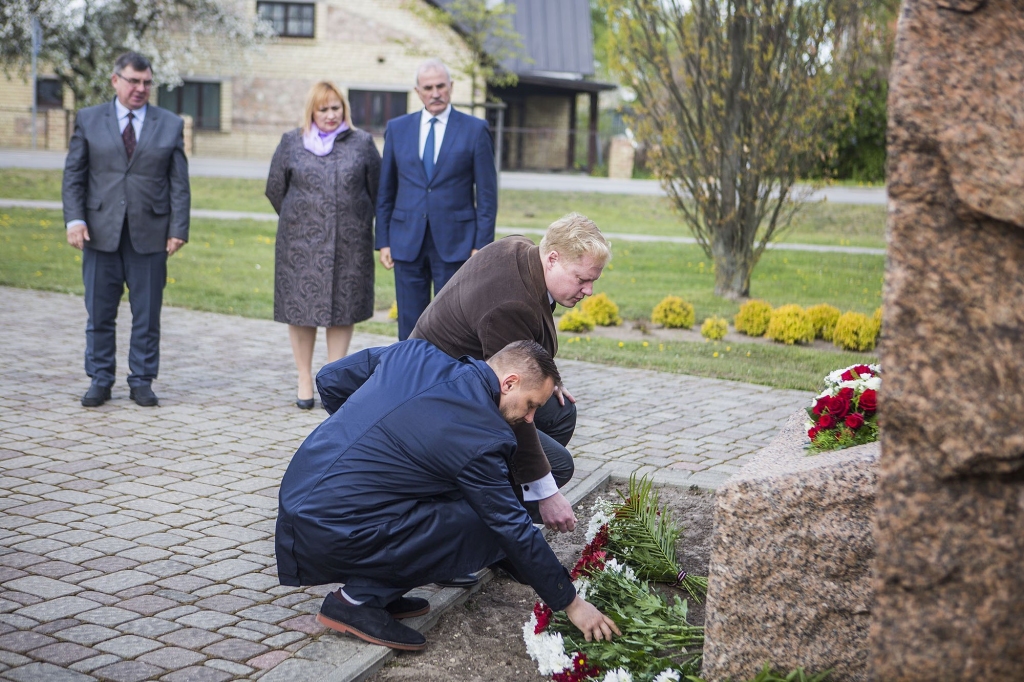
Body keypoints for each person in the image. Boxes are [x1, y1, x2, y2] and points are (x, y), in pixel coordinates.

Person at [276, 339, 621, 651]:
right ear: (510, 382)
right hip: (329, 529)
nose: (530, 418)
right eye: (531, 405)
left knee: (449, 501)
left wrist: (366, 433)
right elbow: (511, 526)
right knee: (480, 520)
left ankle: (382, 587)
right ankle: (356, 601)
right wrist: (571, 603)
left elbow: (331, 379)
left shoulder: (414, 353)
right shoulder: (479, 433)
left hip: (299, 496)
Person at [411, 213, 610, 539]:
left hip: (473, 378)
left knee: (560, 414)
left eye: (593, 281)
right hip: (435, 397)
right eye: (581, 280)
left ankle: (499, 496)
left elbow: (525, 346)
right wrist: (545, 491)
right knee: (557, 466)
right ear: (553, 258)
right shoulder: (509, 304)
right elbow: (513, 403)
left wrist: (548, 380)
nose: (588, 291)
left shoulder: (522, 250)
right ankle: (479, 524)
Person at [63, 51, 190, 408]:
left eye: (147, 82)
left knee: (147, 315)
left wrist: (178, 227)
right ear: (115, 80)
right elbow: (74, 175)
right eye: (133, 81)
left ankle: (142, 380)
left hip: (150, 233)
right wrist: (74, 220)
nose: (141, 88)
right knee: (99, 313)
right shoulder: (88, 120)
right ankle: (100, 379)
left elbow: (179, 182)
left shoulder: (170, 123)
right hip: (99, 233)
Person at [266, 82, 382, 409]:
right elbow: (275, 189)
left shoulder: (361, 143)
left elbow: (377, 189)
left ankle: (333, 376)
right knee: (301, 311)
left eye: (336, 108)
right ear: (311, 112)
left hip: (349, 243)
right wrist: (302, 218)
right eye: (323, 109)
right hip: (299, 245)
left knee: (342, 309)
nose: (330, 116)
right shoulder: (291, 142)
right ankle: (304, 378)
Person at [375, 58, 498, 341]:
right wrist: (383, 239)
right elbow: (386, 189)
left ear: (451, 87)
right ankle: (411, 380)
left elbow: (488, 195)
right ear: (418, 91)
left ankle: (447, 381)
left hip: (458, 242)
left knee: (453, 321)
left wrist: (482, 245)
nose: (435, 93)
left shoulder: (474, 129)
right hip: (406, 241)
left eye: (441, 86)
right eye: (428, 87)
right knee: (409, 324)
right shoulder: (397, 128)